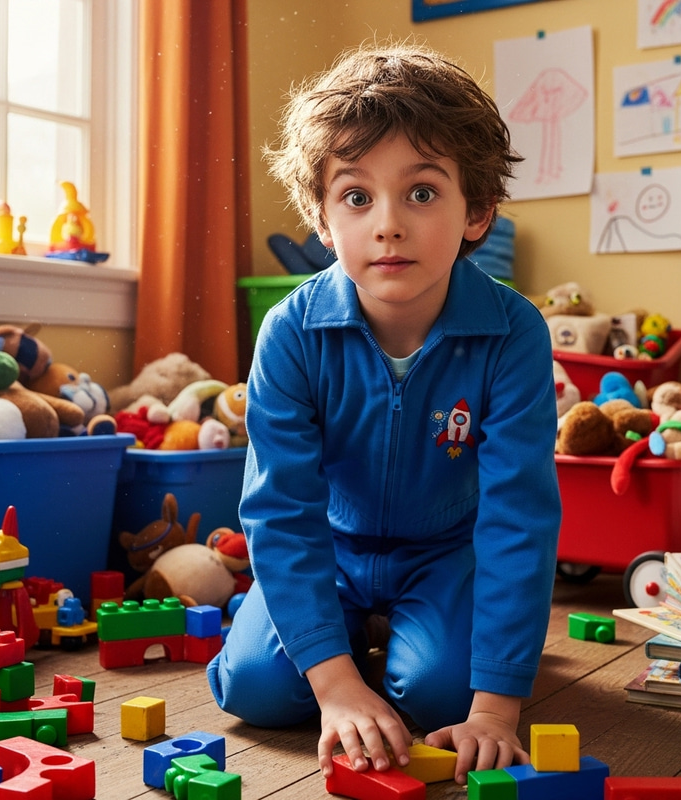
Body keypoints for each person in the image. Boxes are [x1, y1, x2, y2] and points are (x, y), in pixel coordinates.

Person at [207, 40, 561, 786]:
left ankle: (407, 641)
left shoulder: (514, 332)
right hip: (326, 551)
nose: (388, 224)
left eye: (423, 192)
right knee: (259, 692)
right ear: (324, 219)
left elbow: (518, 519)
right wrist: (335, 687)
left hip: (444, 553)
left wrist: (497, 708)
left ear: (479, 212)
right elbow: (279, 510)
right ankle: (341, 640)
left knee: (441, 696)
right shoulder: (292, 331)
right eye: (358, 197)